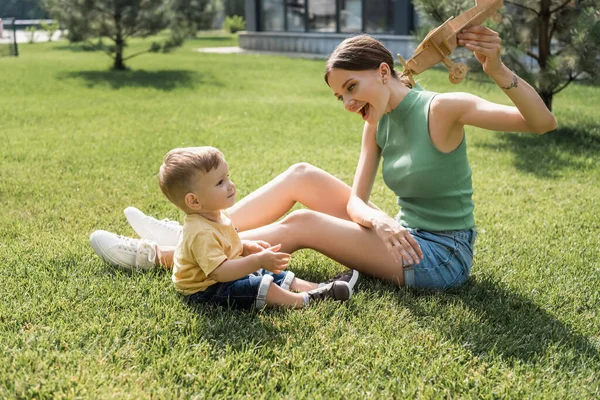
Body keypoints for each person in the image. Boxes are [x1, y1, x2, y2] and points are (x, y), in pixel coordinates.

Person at [90, 26, 556, 291]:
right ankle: (205, 228)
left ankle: (162, 254)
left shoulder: (443, 109)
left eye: (352, 89)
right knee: (302, 176)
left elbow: (541, 123)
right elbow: (356, 201)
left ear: (383, 71)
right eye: (341, 98)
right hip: (404, 231)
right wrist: (382, 222)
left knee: (305, 225)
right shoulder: (377, 122)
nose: (350, 105)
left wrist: (496, 68)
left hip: (441, 254)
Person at [92, 146, 354, 310]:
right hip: (205, 291)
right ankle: (303, 301)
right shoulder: (201, 232)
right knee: (257, 283)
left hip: (219, 275)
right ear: (193, 201)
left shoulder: (216, 216)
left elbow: (231, 244)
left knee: (263, 270)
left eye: (227, 177)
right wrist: (256, 260)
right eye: (219, 182)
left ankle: (314, 287)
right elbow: (221, 273)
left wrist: (248, 248)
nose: (230, 185)